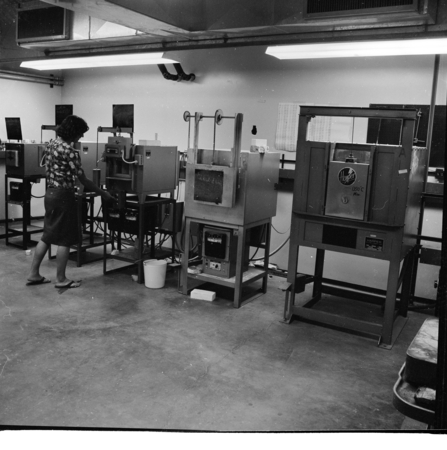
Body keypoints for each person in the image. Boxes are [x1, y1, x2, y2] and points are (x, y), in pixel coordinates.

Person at [26, 115, 115, 289]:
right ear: (74, 132)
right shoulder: (70, 151)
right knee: (65, 239)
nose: (80, 137)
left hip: (50, 193)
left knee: (47, 235)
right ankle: (61, 279)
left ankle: (34, 273)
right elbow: (84, 180)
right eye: (80, 133)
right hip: (63, 196)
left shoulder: (50, 145)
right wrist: (103, 193)